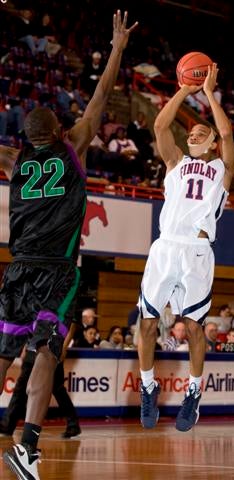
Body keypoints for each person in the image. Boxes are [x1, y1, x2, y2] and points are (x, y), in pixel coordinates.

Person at [0, 11, 137, 479]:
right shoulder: (72, 146)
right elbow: (100, 99)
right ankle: (28, 447)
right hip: (55, 269)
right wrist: (117, 47)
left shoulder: (14, 160)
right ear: (60, 133)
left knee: (3, 353)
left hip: (15, 268)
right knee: (45, 353)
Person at [137, 63, 234, 432]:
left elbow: (226, 131)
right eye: (192, 131)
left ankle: (193, 393)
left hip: (197, 252)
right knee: (147, 325)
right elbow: (161, 126)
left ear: (211, 143)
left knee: (195, 329)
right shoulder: (176, 162)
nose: (194, 134)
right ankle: (148, 388)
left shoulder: (222, 170)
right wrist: (183, 89)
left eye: (201, 132)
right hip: (165, 248)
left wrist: (208, 93)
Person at [0, 324, 80, 439]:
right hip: (34, 350)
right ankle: (7, 425)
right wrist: (25, 346)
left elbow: (71, 324)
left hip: (50, 349)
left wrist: (64, 347)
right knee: (21, 388)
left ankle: (73, 423)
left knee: (57, 389)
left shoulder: (63, 307)